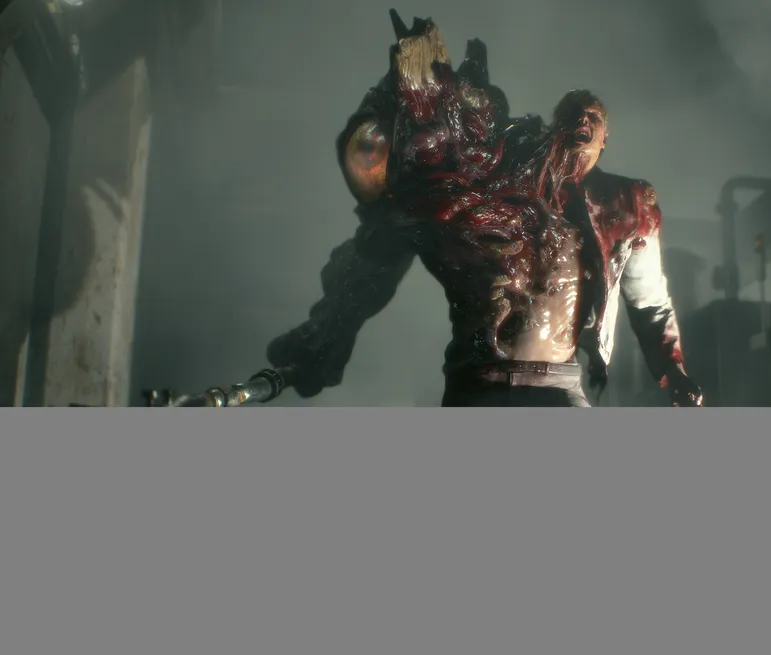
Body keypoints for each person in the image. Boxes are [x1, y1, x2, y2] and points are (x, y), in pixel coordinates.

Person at [265, 13, 702, 408]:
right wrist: (322, 344)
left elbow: (650, 302)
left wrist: (673, 368)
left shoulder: (626, 208)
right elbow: (380, 252)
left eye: (592, 117)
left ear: (605, 138)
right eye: (572, 113)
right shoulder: (492, 187)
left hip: (557, 384)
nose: (582, 121)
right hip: (476, 383)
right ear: (554, 125)